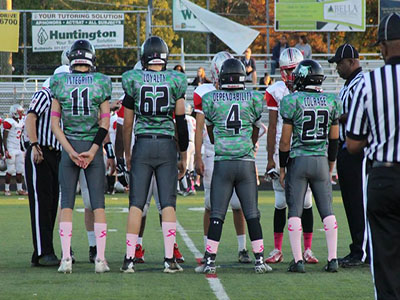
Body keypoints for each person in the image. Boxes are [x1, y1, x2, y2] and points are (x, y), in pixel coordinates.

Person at [195, 58, 272, 274]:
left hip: (223, 162)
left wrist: (224, 141)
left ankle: (209, 261)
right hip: (245, 162)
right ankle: (259, 260)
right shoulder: (254, 98)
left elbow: (210, 134)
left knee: (217, 213)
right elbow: (256, 131)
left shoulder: (211, 98)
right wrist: (247, 143)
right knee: (252, 213)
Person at [120, 36, 188, 274]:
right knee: (168, 203)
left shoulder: (134, 79)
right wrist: (184, 154)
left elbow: (127, 124)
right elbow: (180, 121)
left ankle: (129, 259)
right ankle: (169, 259)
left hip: (143, 144)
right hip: (167, 146)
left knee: (136, 204)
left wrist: (128, 152)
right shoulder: (175, 80)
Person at [346, 12, 400, 299]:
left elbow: (352, 144)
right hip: (386, 175)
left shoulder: (369, 83)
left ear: (383, 46)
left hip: (385, 176)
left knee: (386, 263)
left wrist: (380, 135)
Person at [50, 39, 112, 273]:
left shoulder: (60, 82)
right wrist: (93, 150)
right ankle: (100, 260)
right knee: (98, 205)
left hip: (70, 149)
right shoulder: (100, 83)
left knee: (66, 203)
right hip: (92, 149)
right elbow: (104, 123)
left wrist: (70, 151)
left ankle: (66, 258)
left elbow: (55, 124)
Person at [279, 59, 341, 273]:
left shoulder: (292, 101)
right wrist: (330, 163)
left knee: (295, 211)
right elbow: (334, 139)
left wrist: (282, 167)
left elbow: (285, 141)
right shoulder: (331, 101)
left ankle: (298, 261)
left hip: (299, 160)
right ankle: (332, 259)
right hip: (321, 161)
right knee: (327, 211)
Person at [194, 51, 252, 264]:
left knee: (239, 205)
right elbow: (200, 127)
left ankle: (242, 248)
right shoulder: (205, 92)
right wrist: (198, 157)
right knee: (211, 205)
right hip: (213, 153)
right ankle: (207, 248)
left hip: (234, 152)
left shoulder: (238, 92)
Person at [265, 48, 318, 264]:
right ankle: (277, 249)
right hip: (282, 150)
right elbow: (271, 127)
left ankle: (307, 249)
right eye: (286, 71)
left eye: (293, 70)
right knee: (280, 203)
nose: (289, 76)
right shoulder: (276, 90)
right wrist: (270, 158)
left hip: (303, 149)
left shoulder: (311, 89)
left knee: (306, 202)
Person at [328, 43, 368, 267]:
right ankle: (357, 248)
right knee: (351, 203)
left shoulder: (361, 84)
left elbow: (359, 114)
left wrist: (337, 117)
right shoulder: (349, 85)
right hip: (345, 149)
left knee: (357, 202)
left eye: (340, 63)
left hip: (356, 151)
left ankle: (362, 251)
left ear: (352, 61)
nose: (337, 68)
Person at [25, 88, 61, 267]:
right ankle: (43, 252)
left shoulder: (64, 97)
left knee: (52, 204)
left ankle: (42, 250)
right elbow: (31, 117)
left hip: (56, 154)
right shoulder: (45, 94)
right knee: (41, 204)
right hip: (41, 151)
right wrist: (34, 144)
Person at [3, 104, 28, 196]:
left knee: (20, 169)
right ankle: (6, 189)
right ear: (14, 113)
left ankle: (19, 189)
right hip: (11, 148)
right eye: (20, 112)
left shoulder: (21, 122)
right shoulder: (9, 122)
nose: (22, 113)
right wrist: (6, 149)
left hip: (18, 148)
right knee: (10, 169)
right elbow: (4, 137)